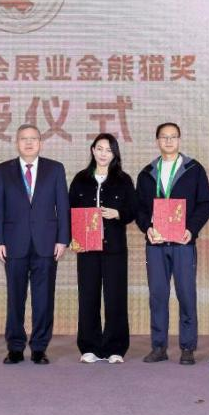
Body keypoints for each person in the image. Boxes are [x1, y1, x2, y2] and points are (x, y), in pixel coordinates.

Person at [135, 122, 209, 365]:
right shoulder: (147, 172)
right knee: (157, 296)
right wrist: (147, 228)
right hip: (156, 244)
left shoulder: (194, 169)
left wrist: (191, 230)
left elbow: (205, 204)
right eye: (164, 137)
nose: (168, 141)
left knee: (186, 294)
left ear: (179, 140)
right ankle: (159, 347)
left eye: (173, 137)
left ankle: (187, 347)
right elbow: (139, 208)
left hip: (183, 243)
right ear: (157, 141)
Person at [0, 124, 70, 364]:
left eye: (33, 138)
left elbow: (63, 206)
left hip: (46, 243)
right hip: (13, 243)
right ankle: (15, 347)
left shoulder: (55, 169)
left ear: (40, 142)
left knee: (43, 298)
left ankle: (39, 347)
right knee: (15, 297)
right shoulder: (3, 170)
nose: (28, 143)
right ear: (16, 142)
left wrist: (63, 239)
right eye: (24, 139)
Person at [68, 133, 138, 363]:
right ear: (92, 150)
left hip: (114, 248)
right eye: (99, 148)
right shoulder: (81, 179)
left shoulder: (123, 180)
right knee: (88, 296)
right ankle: (90, 347)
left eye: (108, 150)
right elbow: (70, 211)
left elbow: (133, 210)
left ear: (114, 154)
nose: (103, 154)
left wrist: (118, 213)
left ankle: (115, 347)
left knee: (115, 296)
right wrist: (73, 238)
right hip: (87, 248)